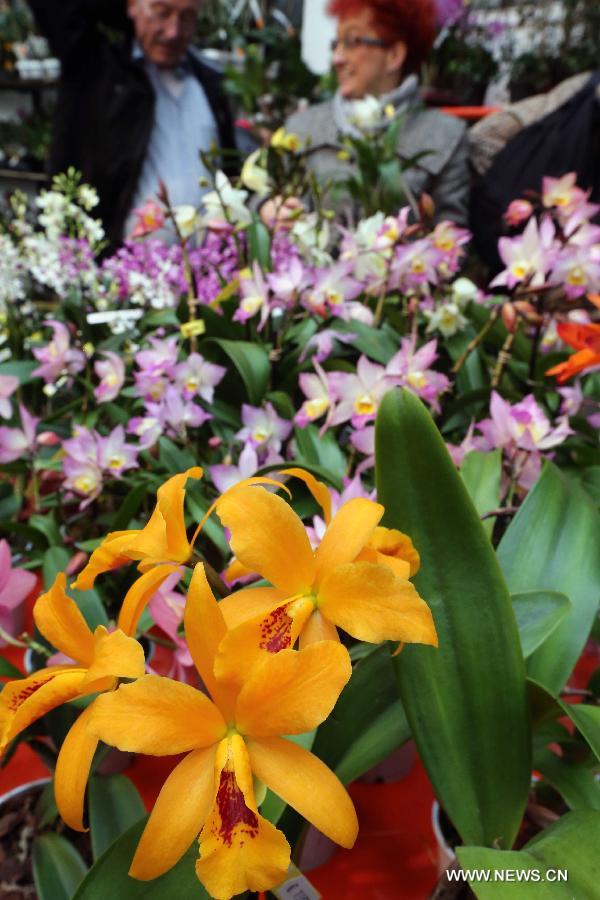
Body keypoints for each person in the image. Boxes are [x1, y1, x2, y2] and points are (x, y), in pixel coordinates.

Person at [28, 0, 237, 247]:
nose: (173, 31)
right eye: (162, 13)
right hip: (118, 273)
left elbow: (232, 176)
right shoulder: (96, 69)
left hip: (202, 275)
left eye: (187, 17)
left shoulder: (209, 83)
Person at [264, 0, 469, 228]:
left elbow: (452, 241)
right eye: (336, 44)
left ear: (394, 55)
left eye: (352, 42)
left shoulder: (444, 136)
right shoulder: (302, 127)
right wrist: (266, 209)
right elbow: (258, 194)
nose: (337, 59)